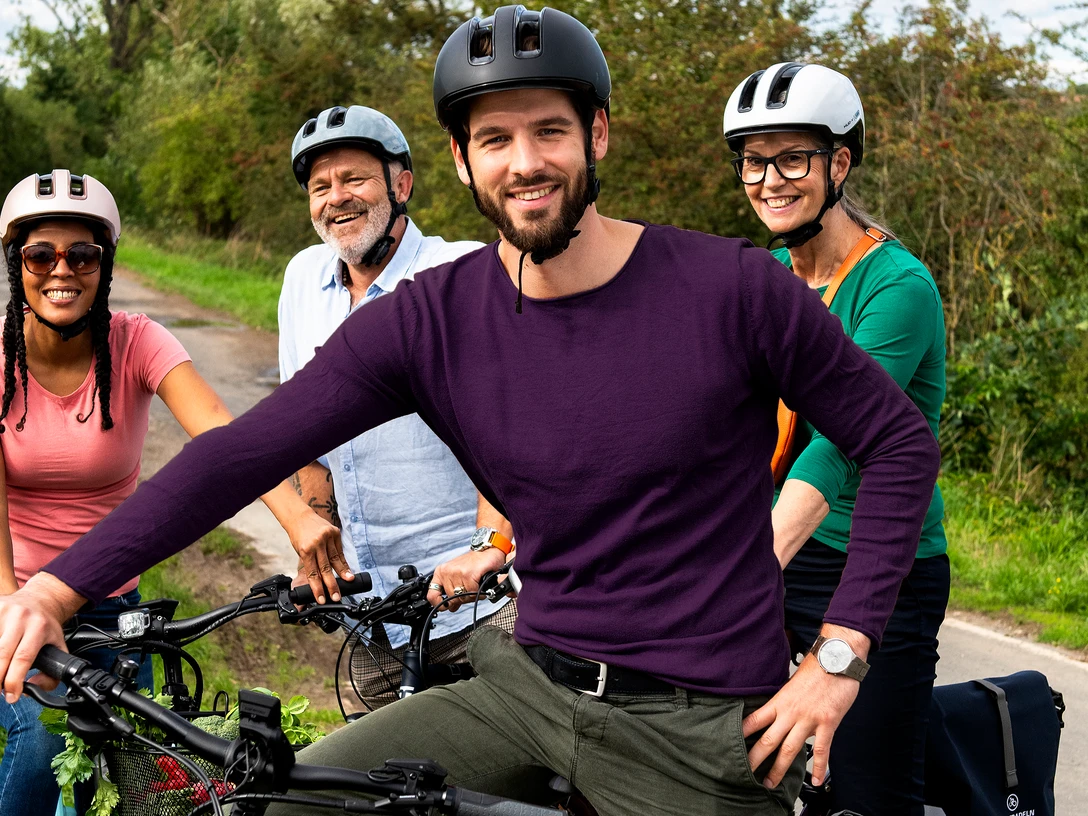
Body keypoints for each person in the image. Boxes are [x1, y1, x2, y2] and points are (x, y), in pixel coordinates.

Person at [0, 9, 941, 815]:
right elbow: (239, 454)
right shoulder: (428, 322)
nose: (525, 163)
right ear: (459, 159)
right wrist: (57, 588)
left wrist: (840, 654)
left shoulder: (729, 288)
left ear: (597, 136)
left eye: (549, 131)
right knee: (280, 802)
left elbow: (895, 441)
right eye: (495, 139)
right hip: (523, 684)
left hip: (695, 722)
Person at [0, 169, 337, 815]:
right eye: (40, 253)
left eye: (83, 254)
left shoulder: (135, 341)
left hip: (108, 597)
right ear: (18, 265)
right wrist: (11, 605)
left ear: (106, 264)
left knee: (147, 764)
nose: (61, 269)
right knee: (43, 748)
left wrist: (297, 518)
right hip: (12, 591)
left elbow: (224, 436)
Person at [723, 63, 949, 815]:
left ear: (839, 164)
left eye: (793, 158)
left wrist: (751, 562)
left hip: (885, 561)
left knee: (863, 789)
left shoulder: (897, 287)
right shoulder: (767, 279)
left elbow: (839, 444)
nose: (770, 180)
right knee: (744, 756)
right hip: (791, 546)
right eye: (755, 160)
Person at [280, 105, 515, 709]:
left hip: (482, 607)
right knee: (376, 792)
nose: (336, 198)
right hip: (372, 614)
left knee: (503, 790)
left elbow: (513, 426)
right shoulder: (304, 278)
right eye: (320, 187)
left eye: (354, 179)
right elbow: (300, 429)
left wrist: (492, 544)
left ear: (400, 184)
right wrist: (316, 539)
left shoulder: (461, 273)